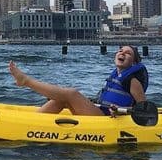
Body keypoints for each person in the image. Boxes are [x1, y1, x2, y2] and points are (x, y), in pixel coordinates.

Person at [8, 45, 148, 116]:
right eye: (120, 50)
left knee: (71, 93)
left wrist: (121, 111)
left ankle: (26, 81)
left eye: (128, 53)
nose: (122, 53)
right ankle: (33, 122)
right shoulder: (115, 76)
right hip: (100, 112)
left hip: (110, 118)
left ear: (134, 63)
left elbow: (143, 110)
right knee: (61, 99)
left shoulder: (133, 80)